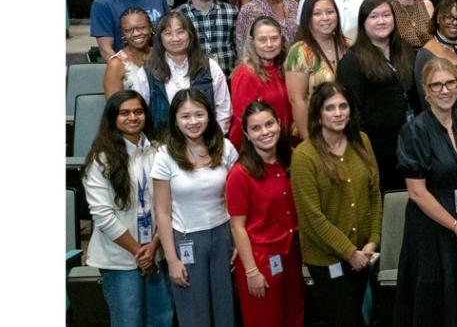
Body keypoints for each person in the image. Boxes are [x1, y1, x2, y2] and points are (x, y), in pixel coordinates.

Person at [395, 58, 457, 325]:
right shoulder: (413, 131)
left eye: (450, 83)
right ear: (425, 91)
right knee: (435, 302)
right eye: (436, 85)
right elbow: (417, 193)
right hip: (430, 228)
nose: (444, 90)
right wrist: (456, 227)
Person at [291, 82, 381, 326]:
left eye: (343, 106)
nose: (338, 113)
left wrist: (372, 240)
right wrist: (349, 253)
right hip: (327, 260)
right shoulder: (304, 155)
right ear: (318, 116)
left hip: (364, 254)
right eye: (330, 108)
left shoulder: (361, 141)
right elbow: (312, 217)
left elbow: (374, 195)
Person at [82, 90, 174, 326]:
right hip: (120, 258)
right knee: (128, 321)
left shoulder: (158, 152)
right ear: (113, 117)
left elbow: (168, 204)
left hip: (156, 252)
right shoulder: (101, 159)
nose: (133, 117)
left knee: (161, 318)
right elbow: (103, 216)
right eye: (124, 113)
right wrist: (139, 252)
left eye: (138, 111)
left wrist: (153, 247)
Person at [153, 88, 239, 327]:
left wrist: (238, 243)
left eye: (199, 114)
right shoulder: (164, 155)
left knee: (225, 310)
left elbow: (237, 201)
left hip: (223, 236)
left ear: (209, 116)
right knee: (193, 315)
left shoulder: (226, 147)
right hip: (186, 239)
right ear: (175, 120)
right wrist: (171, 259)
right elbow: (162, 211)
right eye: (185, 116)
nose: (193, 122)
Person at [225, 102, 305, 327]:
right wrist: (251, 271)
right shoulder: (240, 174)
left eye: (269, 124)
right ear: (247, 135)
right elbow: (237, 227)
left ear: (279, 124)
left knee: (295, 318)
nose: (265, 132)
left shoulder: (292, 157)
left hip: (291, 255)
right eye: (256, 128)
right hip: (261, 263)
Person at [336, 0, 415, 193]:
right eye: (374, 16)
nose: (381, 21)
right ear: (363, 22)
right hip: (378, 149)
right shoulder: (352, 61)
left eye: (386, 15)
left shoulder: (405, 50)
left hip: (412, 140)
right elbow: (352, 112)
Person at [136, 11, 233, 134]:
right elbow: (139, 112)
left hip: (206, 144)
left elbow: (224, 109)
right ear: (160, 38)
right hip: (162, 145)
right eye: (168, 33)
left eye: (180, 32)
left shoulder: (210, 67)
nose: (175, 38)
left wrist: (214, 139)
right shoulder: (147, 73)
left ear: (190, 35)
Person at [285, 0, 349, 140]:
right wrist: (310, 139)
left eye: (330, 12)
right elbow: (297, 100)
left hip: (346, 126)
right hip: (316, 129)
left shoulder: (345, 45)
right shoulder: (299, 52)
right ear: (308, 18)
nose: (325, 18)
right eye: (317, 13)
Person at [229, 16, 293, 147]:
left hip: (285, 141)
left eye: (274, 38)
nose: (269, 44)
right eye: (262, 40)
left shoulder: (286, 67)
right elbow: (243, 120)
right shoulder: (245, 73)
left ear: (281, 39)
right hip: (256, 146)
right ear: (252, 42)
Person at [175, 0, 239, 74]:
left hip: (228, 79)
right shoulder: (177, 16)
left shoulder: (231, 12)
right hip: (193, 81)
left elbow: (240, 49)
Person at [103, 8, 153, 98]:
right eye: (128, 30)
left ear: (150, 28)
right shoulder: (116, 64)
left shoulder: (161, 55)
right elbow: (113, 106)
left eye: (142, 27)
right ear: (123, 34)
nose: (136, 33)